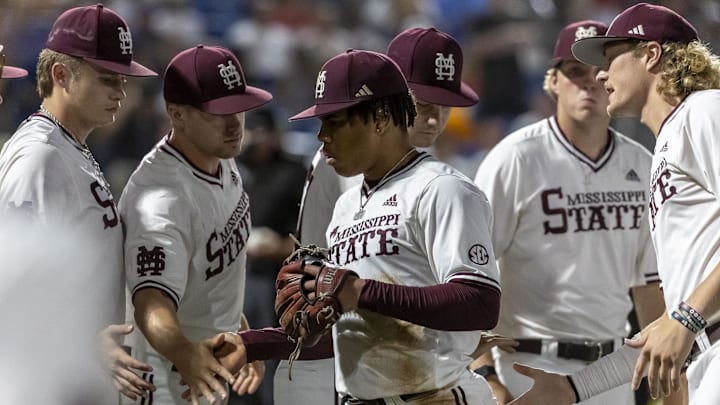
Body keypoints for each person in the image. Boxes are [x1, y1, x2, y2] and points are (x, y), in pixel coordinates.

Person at [201, 48, 502, 405]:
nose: (321, 135)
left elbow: (480, 302)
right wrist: (252, 344)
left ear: (380, 118)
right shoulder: (345, 206)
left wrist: (360, 291)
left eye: (335, 121)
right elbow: (350, 329)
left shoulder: (441, 189)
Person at [506, 3, 720, 404]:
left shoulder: (705, 111)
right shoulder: (667, 143)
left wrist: (686, 318)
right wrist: (572, 388)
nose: (601, 74)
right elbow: (666, 329)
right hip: (705, 355)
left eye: (610, 58)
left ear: (651, 55)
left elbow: (683, 319)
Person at [275, 26, 485, 404]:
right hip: (344, 370)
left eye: (445, 102)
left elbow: (475, 295)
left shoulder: (446, 183)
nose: (435, 119)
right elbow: (312, 268)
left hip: (428, 385)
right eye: (423, 103)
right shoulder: (338, 166)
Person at [471, 20, 670, 405]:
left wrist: (664, 375)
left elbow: (649, 285)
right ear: (553, 82)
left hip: (612, 370)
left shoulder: (642, 164)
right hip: (526, 365)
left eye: (599, 72)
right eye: (574, 71)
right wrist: (485, 373)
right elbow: (472, 274)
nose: (589, 82)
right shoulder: (515, 159)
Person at [0, 4, 158, 401]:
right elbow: (14, 289)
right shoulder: (40, 157)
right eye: (107, 79)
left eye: (122, 81)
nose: (121, 92)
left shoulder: (69, 148)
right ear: (61, 74)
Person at [119, 45, 272, 405]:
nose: (235, 123)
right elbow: (151, 303)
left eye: (239, 108)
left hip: (202, 375)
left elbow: (212, 267)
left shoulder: (219, 156)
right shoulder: (161, 198)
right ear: (177, 114)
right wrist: (186, 355)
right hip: (161, 383)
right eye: (218, 112)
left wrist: (240, 332)